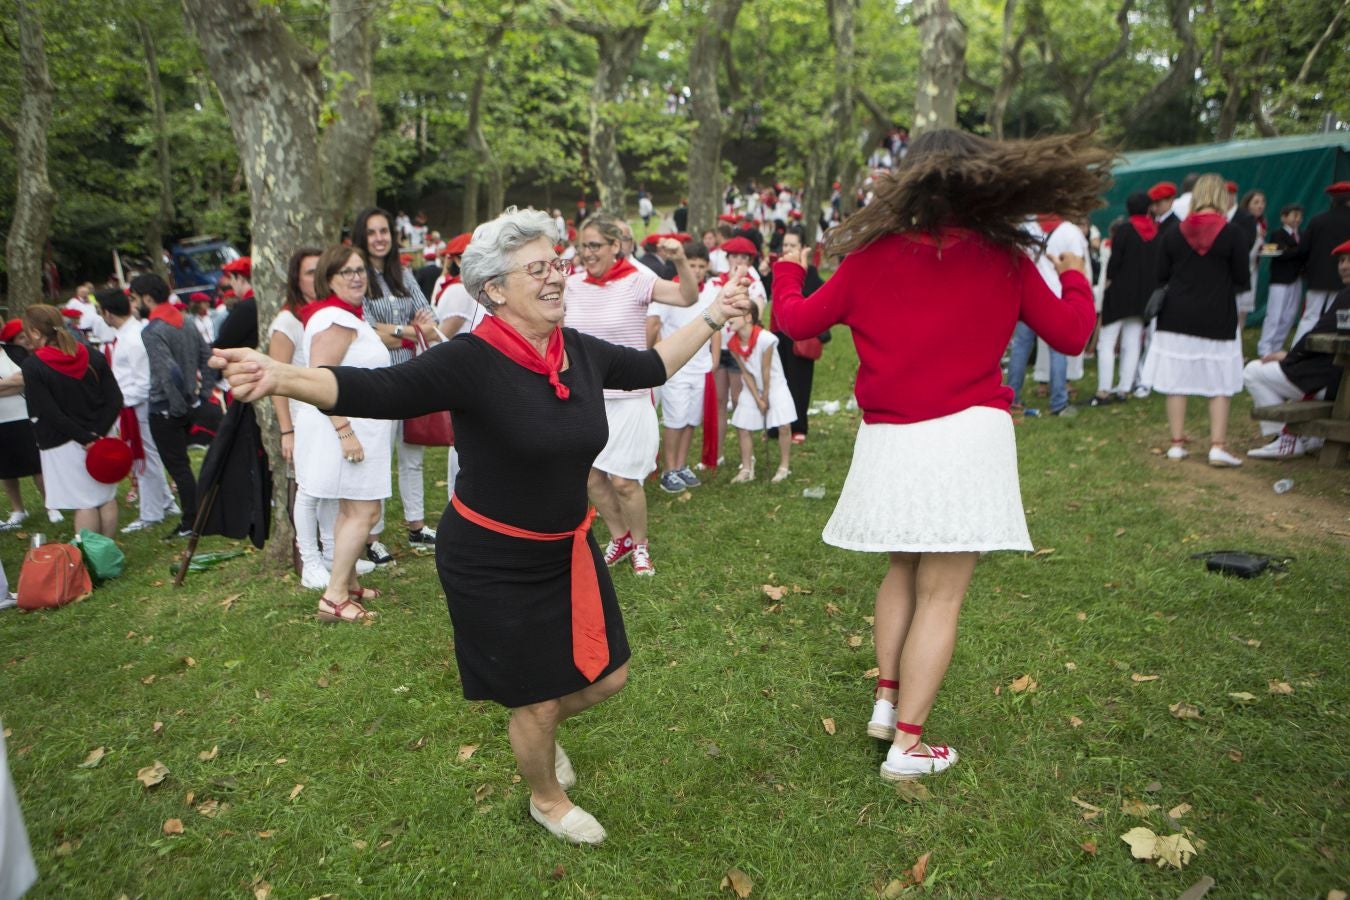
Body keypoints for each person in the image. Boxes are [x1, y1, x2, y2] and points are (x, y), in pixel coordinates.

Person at [211, 206, 751, 845]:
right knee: (537, 698)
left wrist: (714, 313)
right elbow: (376, 390)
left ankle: (537, 730)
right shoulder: (470, 359)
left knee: (610, 676)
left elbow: (653, 367)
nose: (557, 276)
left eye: (557, 263)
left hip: (567, 548)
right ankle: (546, 799)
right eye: (537, 269)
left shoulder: (577, 351)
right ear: (494, 289)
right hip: (491, 559)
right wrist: (282, 375)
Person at [771, 128, 1103, 782]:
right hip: (967, 437)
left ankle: (887, 700)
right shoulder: (1004, 257)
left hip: (890, 438)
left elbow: (797, 321)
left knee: (901, 568)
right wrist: (1074, 275)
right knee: (942, 595)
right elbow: (1071, 334)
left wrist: (786, 268)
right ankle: (908, 745)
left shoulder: (872, 255)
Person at [565, 214, 699, 577]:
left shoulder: (637, 281)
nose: (587, 253)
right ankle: (620, 538)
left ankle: (640, 546)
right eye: (582, 246)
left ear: (615, 246)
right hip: (587, 398)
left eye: (595, 245)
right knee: (590, 477)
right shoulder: (571, 285)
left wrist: (680, 261)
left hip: (629, 397)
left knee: (624, 482)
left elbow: (687, 296)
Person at [289, 245, 393, 620]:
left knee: (352, 508)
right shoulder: (335, 319)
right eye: (346, 271)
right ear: (328, 279)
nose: (357, 277)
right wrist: (345, 431)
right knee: (365, 510)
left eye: (360, 269)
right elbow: (320, 380)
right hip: (348, 431)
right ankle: (334, 598)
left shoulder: (344, 316)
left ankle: (347, 583)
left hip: (358, 428)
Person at [1139, 173, 1250, 467]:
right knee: (1220, 383)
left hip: (1176, 314)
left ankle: (1176, 444)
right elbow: (1242, 277)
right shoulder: (1234, 233)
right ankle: (1217, 446)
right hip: (1218, 314)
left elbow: (1160, 275)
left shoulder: (1173, 232)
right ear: (1222, 197)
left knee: (1176, 381)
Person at [352, 207, 443, 561]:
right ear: (362, 237)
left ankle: (416, 526)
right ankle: (372, 536)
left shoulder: (403, 275)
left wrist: (395, 331)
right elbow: (364, 331)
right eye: (372, 232)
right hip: (379, 378)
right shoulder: (357, 277)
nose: (379, 238)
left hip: (411, 374)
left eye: (384, 231)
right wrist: (410, 329)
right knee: (379, 455)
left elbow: (432, 326)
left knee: (412, 452)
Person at [19, 305, 124, 537]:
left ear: (36, 332)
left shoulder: (33, 366)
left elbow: (50, 412)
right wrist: (98, 435)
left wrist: (86, 438)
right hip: (100, 435)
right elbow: (115, 399)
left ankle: (92, 554)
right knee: (106, 497)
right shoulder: (92, 355)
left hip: (66, 441)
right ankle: (107, 550)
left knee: (84, 502)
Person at [1244, 240, 1350, 459]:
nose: (1344, 266)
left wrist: (1289, 357)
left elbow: (1317, 337)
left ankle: (1285, 439)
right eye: (1341, 261)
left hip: (1336, 385)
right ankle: (1310, 438)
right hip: (1339, 381)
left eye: (1349, 261)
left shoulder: (1346, 297)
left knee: (1253, 371)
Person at [131, 272, 216, 539]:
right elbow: (208, 357)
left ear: (147, 298)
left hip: (166, 408)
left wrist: (178, 407)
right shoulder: (186, 321)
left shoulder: (152, 330)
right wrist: (203, 394)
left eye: (135, 298)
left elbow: (167, 371)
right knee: (182, 466)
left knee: (179, 467)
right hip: (187, 402)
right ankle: (196, 516)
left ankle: (192, 520)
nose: (134, 304)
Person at [99, 289, 178, 532]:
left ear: (107, 313)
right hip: (129, 405)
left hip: (137, 407)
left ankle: (151, 514)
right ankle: (165, 502)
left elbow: (143, 383)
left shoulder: (134, 338)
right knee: (148, 457)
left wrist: (117, 402)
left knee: (144, 459)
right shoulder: (125, 335)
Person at [647, 242, 719, 494]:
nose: (696, 270)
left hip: (700, 367)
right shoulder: (672, 293)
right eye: (692, 265)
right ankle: (668, 470)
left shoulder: (711, 292)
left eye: (701, 266)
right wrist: (661, 358)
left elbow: (716, 326)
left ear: (707, 267)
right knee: (675, 421)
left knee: (690, 420)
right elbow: (655, 326)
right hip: (676, 369)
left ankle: (681, 465)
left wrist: (714, 359)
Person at [1094, 193, 1159, 405]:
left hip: (1120, 293)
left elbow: (1115, 262)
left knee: (1107, 341)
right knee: (1132, 342)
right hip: (1143, 295)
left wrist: (1109, 281)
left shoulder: (1124, 230)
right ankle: (1124, 388)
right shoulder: (1155, 232)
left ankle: (1104, 389)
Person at [761, 225, 824, 443]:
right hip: (777, 331)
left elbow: (818, 296)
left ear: (803, 248)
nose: (787, 249)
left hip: (799, 333)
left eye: (792, 245)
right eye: (785, 245)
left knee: (799, 381)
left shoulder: (810, 272)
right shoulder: (777, 266)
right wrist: (765, 274)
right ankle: (776, 426)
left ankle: (799, 426)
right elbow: (767, 294)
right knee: (778, 380)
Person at [727, 305, 795, 483]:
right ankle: (747, 468)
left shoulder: (766, 339)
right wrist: (758, 399)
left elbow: (766, 370)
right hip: (752, 387)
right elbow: (746, 373)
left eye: (734, 315)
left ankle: (784, 467)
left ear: (748, 317)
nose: (729, 319)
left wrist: (765, 396)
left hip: (774, 383)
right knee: (742, 426)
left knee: (784, 426)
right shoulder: (732, 344)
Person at [0, 320, 47, 531]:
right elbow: (18, 381)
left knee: (36, 463)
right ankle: (18, 509)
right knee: (6, 468)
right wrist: (14, 382)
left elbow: (28, 377)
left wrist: (8, 384)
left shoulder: (14, 351)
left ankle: (50, 504)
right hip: (2, 418)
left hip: (25, 414)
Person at [1290, 182, 1350, 343]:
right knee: (1336, 317)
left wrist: (1305, 269)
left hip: (1318, 277)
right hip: (1344, 278)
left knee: (1310, 316)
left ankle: (1297, 349)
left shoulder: (1317, 220)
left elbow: (1303, 249)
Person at [1259, 204, 1306, 356]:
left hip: (1296, 279)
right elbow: (1281, 252)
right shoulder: (1277, 234)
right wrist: (1296, 250)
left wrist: (1292, 250)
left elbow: (1298, 252)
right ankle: (1265, 348)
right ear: (1284, 218)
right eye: (1294, 215)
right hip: (1280, 281)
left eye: (1299, 216)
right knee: (1275, 315)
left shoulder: (1302, 235)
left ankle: (1277, 347)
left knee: (1289, 315)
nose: (1297, 219)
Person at [1233, 188, 1266, 316]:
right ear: (1248, 205)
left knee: (1245, 307)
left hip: (1253, 268)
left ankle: (1241, 328)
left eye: (1262, 202)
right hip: (1241, 269)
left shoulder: (1260, 224)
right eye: (1256, 202)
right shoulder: (1241, 222)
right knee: (1237, 305)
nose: (1260, 206)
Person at [214, 257, 258, 349]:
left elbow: (223, 343)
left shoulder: (246, 308)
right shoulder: (256, 302)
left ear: (241, 278)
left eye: (231, 278)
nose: (231, 283)